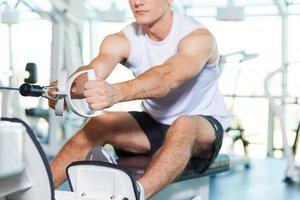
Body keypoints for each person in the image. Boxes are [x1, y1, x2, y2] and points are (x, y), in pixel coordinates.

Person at [49, 0, 231, 199]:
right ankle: (41, 188)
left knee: (184, 124)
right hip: (155, 124)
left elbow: (166, 78)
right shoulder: (121, 39)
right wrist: (67, 89)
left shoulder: (198, 38)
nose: (138, 2)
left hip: (201, 124)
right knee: (100, 122)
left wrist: (115, 93)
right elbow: (92, 73)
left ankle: (134, 194)